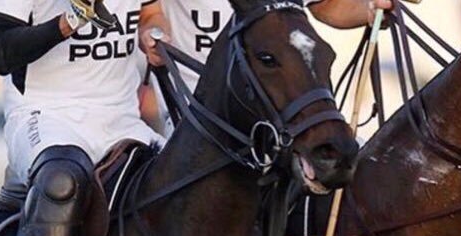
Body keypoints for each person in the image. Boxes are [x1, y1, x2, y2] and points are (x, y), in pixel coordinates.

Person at [0, 0, 168, 236]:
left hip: (123, 120)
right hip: (46, 115)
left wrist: (152, 34)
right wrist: (69, 22)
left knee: (189, 175)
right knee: (61, 182)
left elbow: (150, 13)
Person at [137, 0, 408, 136]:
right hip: (198, 116)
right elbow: (150, 13)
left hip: (282, 115)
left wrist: (370, 8)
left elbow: (326, 6)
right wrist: (155, 33)